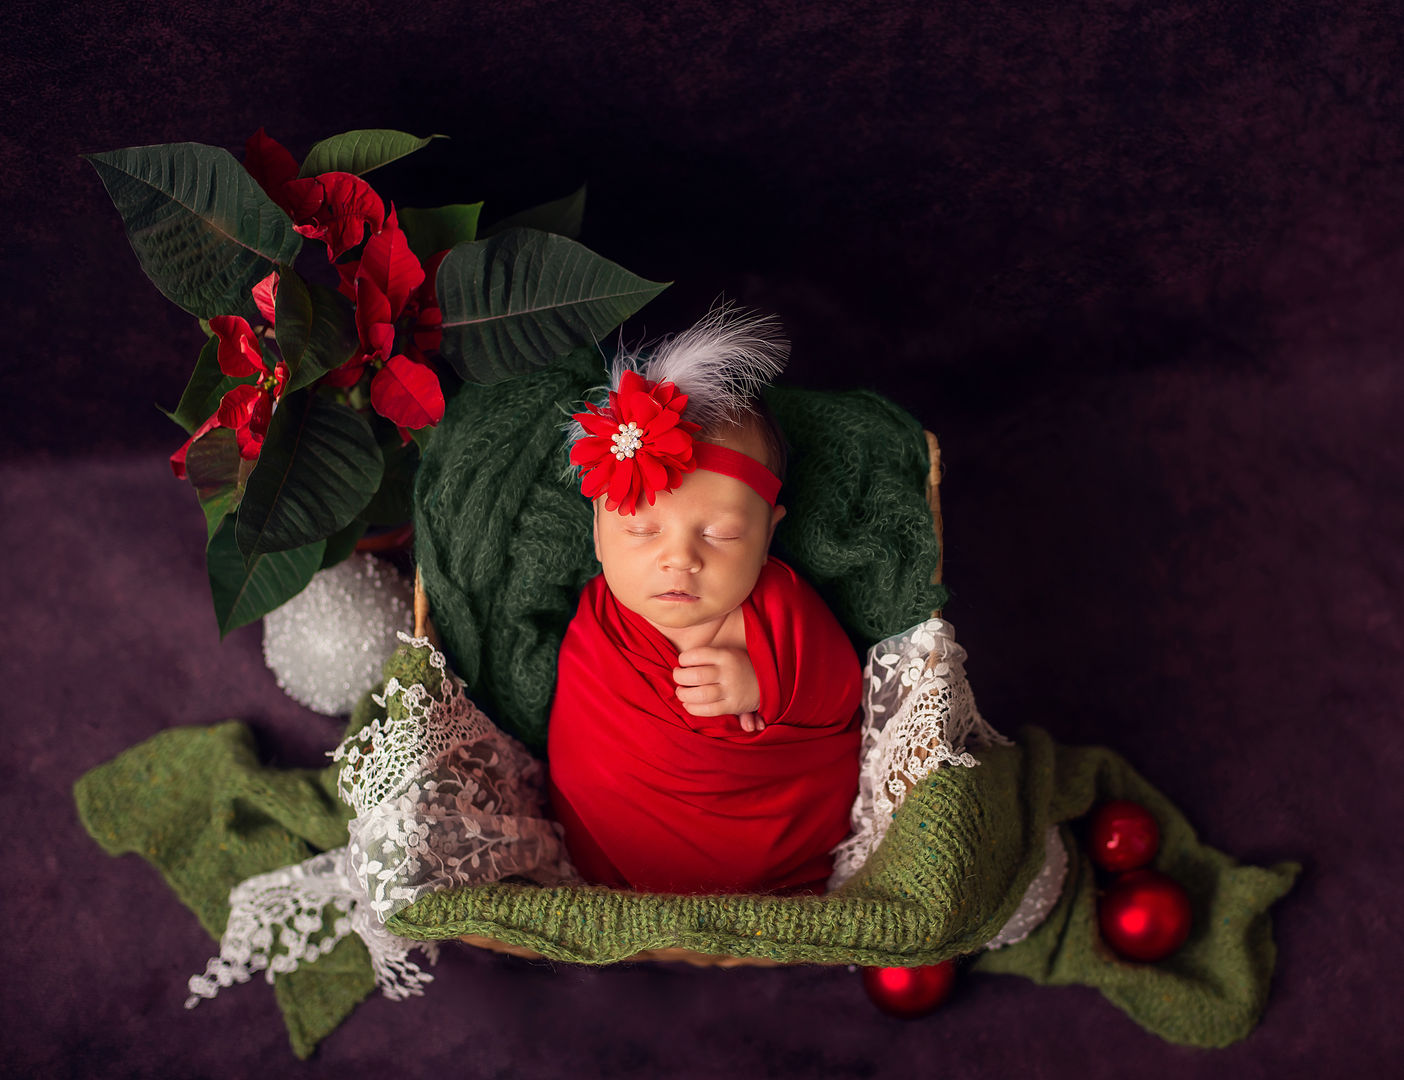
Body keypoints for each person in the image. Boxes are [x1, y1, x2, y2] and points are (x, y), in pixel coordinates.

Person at [547, 308, 863, 895]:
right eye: (641, 531)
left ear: (769, 533)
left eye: (719, 535)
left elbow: (842, 694)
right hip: (613, 858)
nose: (679, 559)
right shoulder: (599, 626)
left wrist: (767, 685)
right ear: (597, 531)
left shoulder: (780, 605)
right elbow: (582, 752)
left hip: (771, 848)